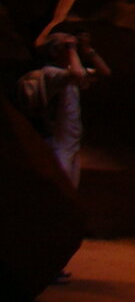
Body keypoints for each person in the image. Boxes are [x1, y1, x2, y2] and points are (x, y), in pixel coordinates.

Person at [35, 29, 110, 188]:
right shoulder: (50, 73)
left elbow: (105, 73)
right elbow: (77, 75)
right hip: (58, 145)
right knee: (59, 191)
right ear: (54, 51)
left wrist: (88, 50)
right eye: (65, 45)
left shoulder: (70, 73)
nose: (71, 45)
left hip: (72, 144)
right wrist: (72, 49)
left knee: (70, 191)